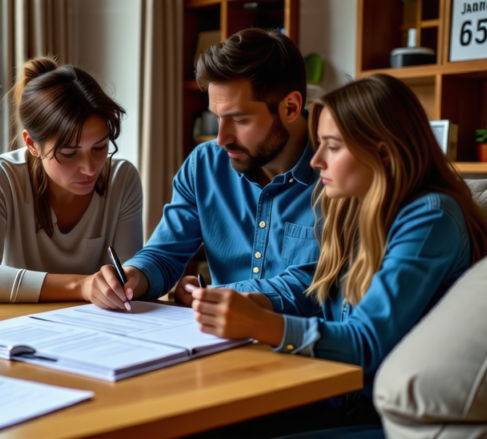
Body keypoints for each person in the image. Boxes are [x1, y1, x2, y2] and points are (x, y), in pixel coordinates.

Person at [188, 74, 487, 436]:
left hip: (375, 414)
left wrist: (260, 323)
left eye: (332, 146)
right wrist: (255, 299)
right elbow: (318, 281)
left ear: (382, 151)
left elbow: (366, 341)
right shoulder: (352, 206)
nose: (315, 161)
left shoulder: (431, 217)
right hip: (333, 393)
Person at [87, 28, 319, 310]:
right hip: (218, 341)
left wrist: (217, 294)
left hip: (304, 348)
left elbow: (319, 283)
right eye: (217, 117)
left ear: (291, 107)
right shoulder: (205, 165)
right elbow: (164, 254)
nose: (221, 139)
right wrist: (133, 276)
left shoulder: (340, 172)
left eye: (240, 119)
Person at [0, 57, 143, 303]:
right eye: (68, 154)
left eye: (99, 147)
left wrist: (135, 280)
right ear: (32, 144)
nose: (89, 169)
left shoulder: (122, 178)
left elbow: (130, 276)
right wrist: (81, 286)